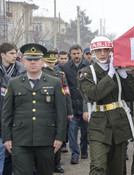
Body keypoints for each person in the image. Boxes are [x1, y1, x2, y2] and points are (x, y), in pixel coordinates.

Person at [78, 36, 134, 175]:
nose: (103, 54)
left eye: (106, 50)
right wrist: (111, 73)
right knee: (98, 166)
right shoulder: (86, 72)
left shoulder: (119, 71)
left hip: (119, 121)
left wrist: (124, 77)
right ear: (93, 52)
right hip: (99, 123)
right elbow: (93, 94)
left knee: (118, 167)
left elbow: (133, 96)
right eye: (99, 50)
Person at [2, 43, 66, 175]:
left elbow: (61, 112)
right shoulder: (13, 83)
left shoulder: (54, 82)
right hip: (20, 140)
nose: (33, 63)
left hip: (47, 139)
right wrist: (6, 138)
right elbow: (7, 113)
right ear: (23, 62)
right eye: (29, 59)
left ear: (42, 62)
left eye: (36, 59)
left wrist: (60, 137)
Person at [42, 51, 74, 173]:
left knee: (58, 138)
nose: (51, 64)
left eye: (52, 62)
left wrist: (69, 111)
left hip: (58, 111)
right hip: (44, 111)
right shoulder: (40, 73)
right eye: (48, 62)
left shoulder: (60, 75)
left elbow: (66, 94)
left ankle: (56, 164)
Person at [61, 45, 91, 164]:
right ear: (70, 54)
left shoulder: (89, 66)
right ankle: (74, 154)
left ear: (82, 53)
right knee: (72, 130)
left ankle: (84, 150)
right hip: (72, 104)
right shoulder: (66, 67)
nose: (76, 56)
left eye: (78, 53)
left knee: (85, 130)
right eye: (74, 54)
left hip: (85, 104)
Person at [0, 42, 26, 175]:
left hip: (17, 120)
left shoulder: (22, 71)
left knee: (15, 155)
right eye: (11, 53)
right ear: (2, 55)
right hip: (1, 119)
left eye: (16, 53)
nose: (15, 56)